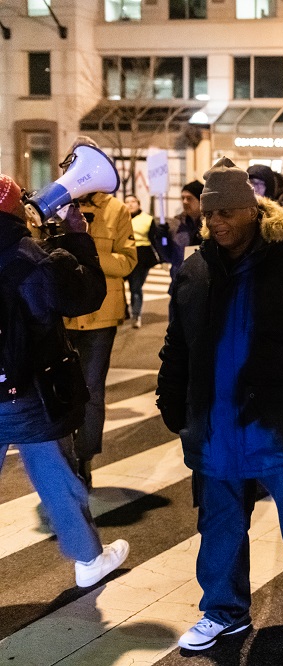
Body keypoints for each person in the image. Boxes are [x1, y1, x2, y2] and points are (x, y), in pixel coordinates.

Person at [157, 158, 283, 651]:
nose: (216, 223)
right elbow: (177, 341)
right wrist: (170, 392)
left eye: (225, 213)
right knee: (220, 523)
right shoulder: (196, 271)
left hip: (279, 422)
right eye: (209, 215)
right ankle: (224, 610)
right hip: (216, 424)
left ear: (251, 211)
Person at [0, 174, 130, 589]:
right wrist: (76, 240)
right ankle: (88, 557)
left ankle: (90, 556)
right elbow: (84, 295)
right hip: (28, 393)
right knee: (54, 473)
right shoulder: (30, 259)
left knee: (53, 470)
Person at [60, 138, 138, 489]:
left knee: (91, 390)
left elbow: (128, 261)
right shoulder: (55, 203)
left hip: (100, 316)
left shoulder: (116, 210)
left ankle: (84, 459)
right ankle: (64, 460)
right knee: (59, 388)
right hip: (60, 313)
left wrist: (86, 252)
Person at [159, 180, 204, 281]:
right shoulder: (176, 224)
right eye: (182, 198)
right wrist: (161, 239)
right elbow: (168, 256)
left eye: (189, 198)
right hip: (179, 282)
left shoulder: (211, 223)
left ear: (201, 200)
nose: (184, 202)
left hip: (203, 283)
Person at [124, 194, 157, 328]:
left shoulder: (147, 219)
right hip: (124, 254)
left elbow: (154, 239)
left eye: (133, 201)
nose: (130, 204)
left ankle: (136, 315)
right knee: (118, 286)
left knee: (135, 287)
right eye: (127, 202)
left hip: (141, 256)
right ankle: (124, 311)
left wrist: (162, 256)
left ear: (139, 204)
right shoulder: (120, 218)